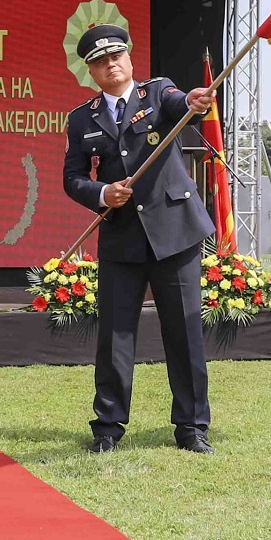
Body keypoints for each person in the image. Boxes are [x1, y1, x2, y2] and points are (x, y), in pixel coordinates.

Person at [62, 25, 217, 455]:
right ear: (90, 70)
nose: (110, 64)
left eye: (117, 56)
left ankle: (191, 426)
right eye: (100, 60)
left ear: (130, 59)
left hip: (175, 231)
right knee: (116, 335)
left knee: (184, 332)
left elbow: (181, 103)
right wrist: (101, 193)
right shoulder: (81, 119)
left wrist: (191, 101)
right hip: (121, 237)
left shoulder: (157, 92)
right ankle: (108, 427)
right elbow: (72, 179)